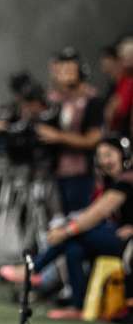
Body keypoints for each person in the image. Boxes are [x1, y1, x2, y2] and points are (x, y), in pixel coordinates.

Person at [0, 136, 133, 320]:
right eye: (101, 156)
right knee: (73, 249)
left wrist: (65, 231)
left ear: (124, 155)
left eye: (109, 155)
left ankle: (34, 268)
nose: (104, 161)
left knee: (72, 237)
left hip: (127, 242)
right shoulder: (109, 182)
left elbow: (99, 212)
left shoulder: (127, 180)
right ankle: (77, 306)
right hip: (117, 237)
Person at [38, 47, 104, 213]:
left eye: (68, 69)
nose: (63, 74)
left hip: (82, 172)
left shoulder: (91, 100)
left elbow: (93, 139)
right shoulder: (55, 101)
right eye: (60, 69)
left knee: (79, 217)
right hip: (57, 172)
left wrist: (58, 136)